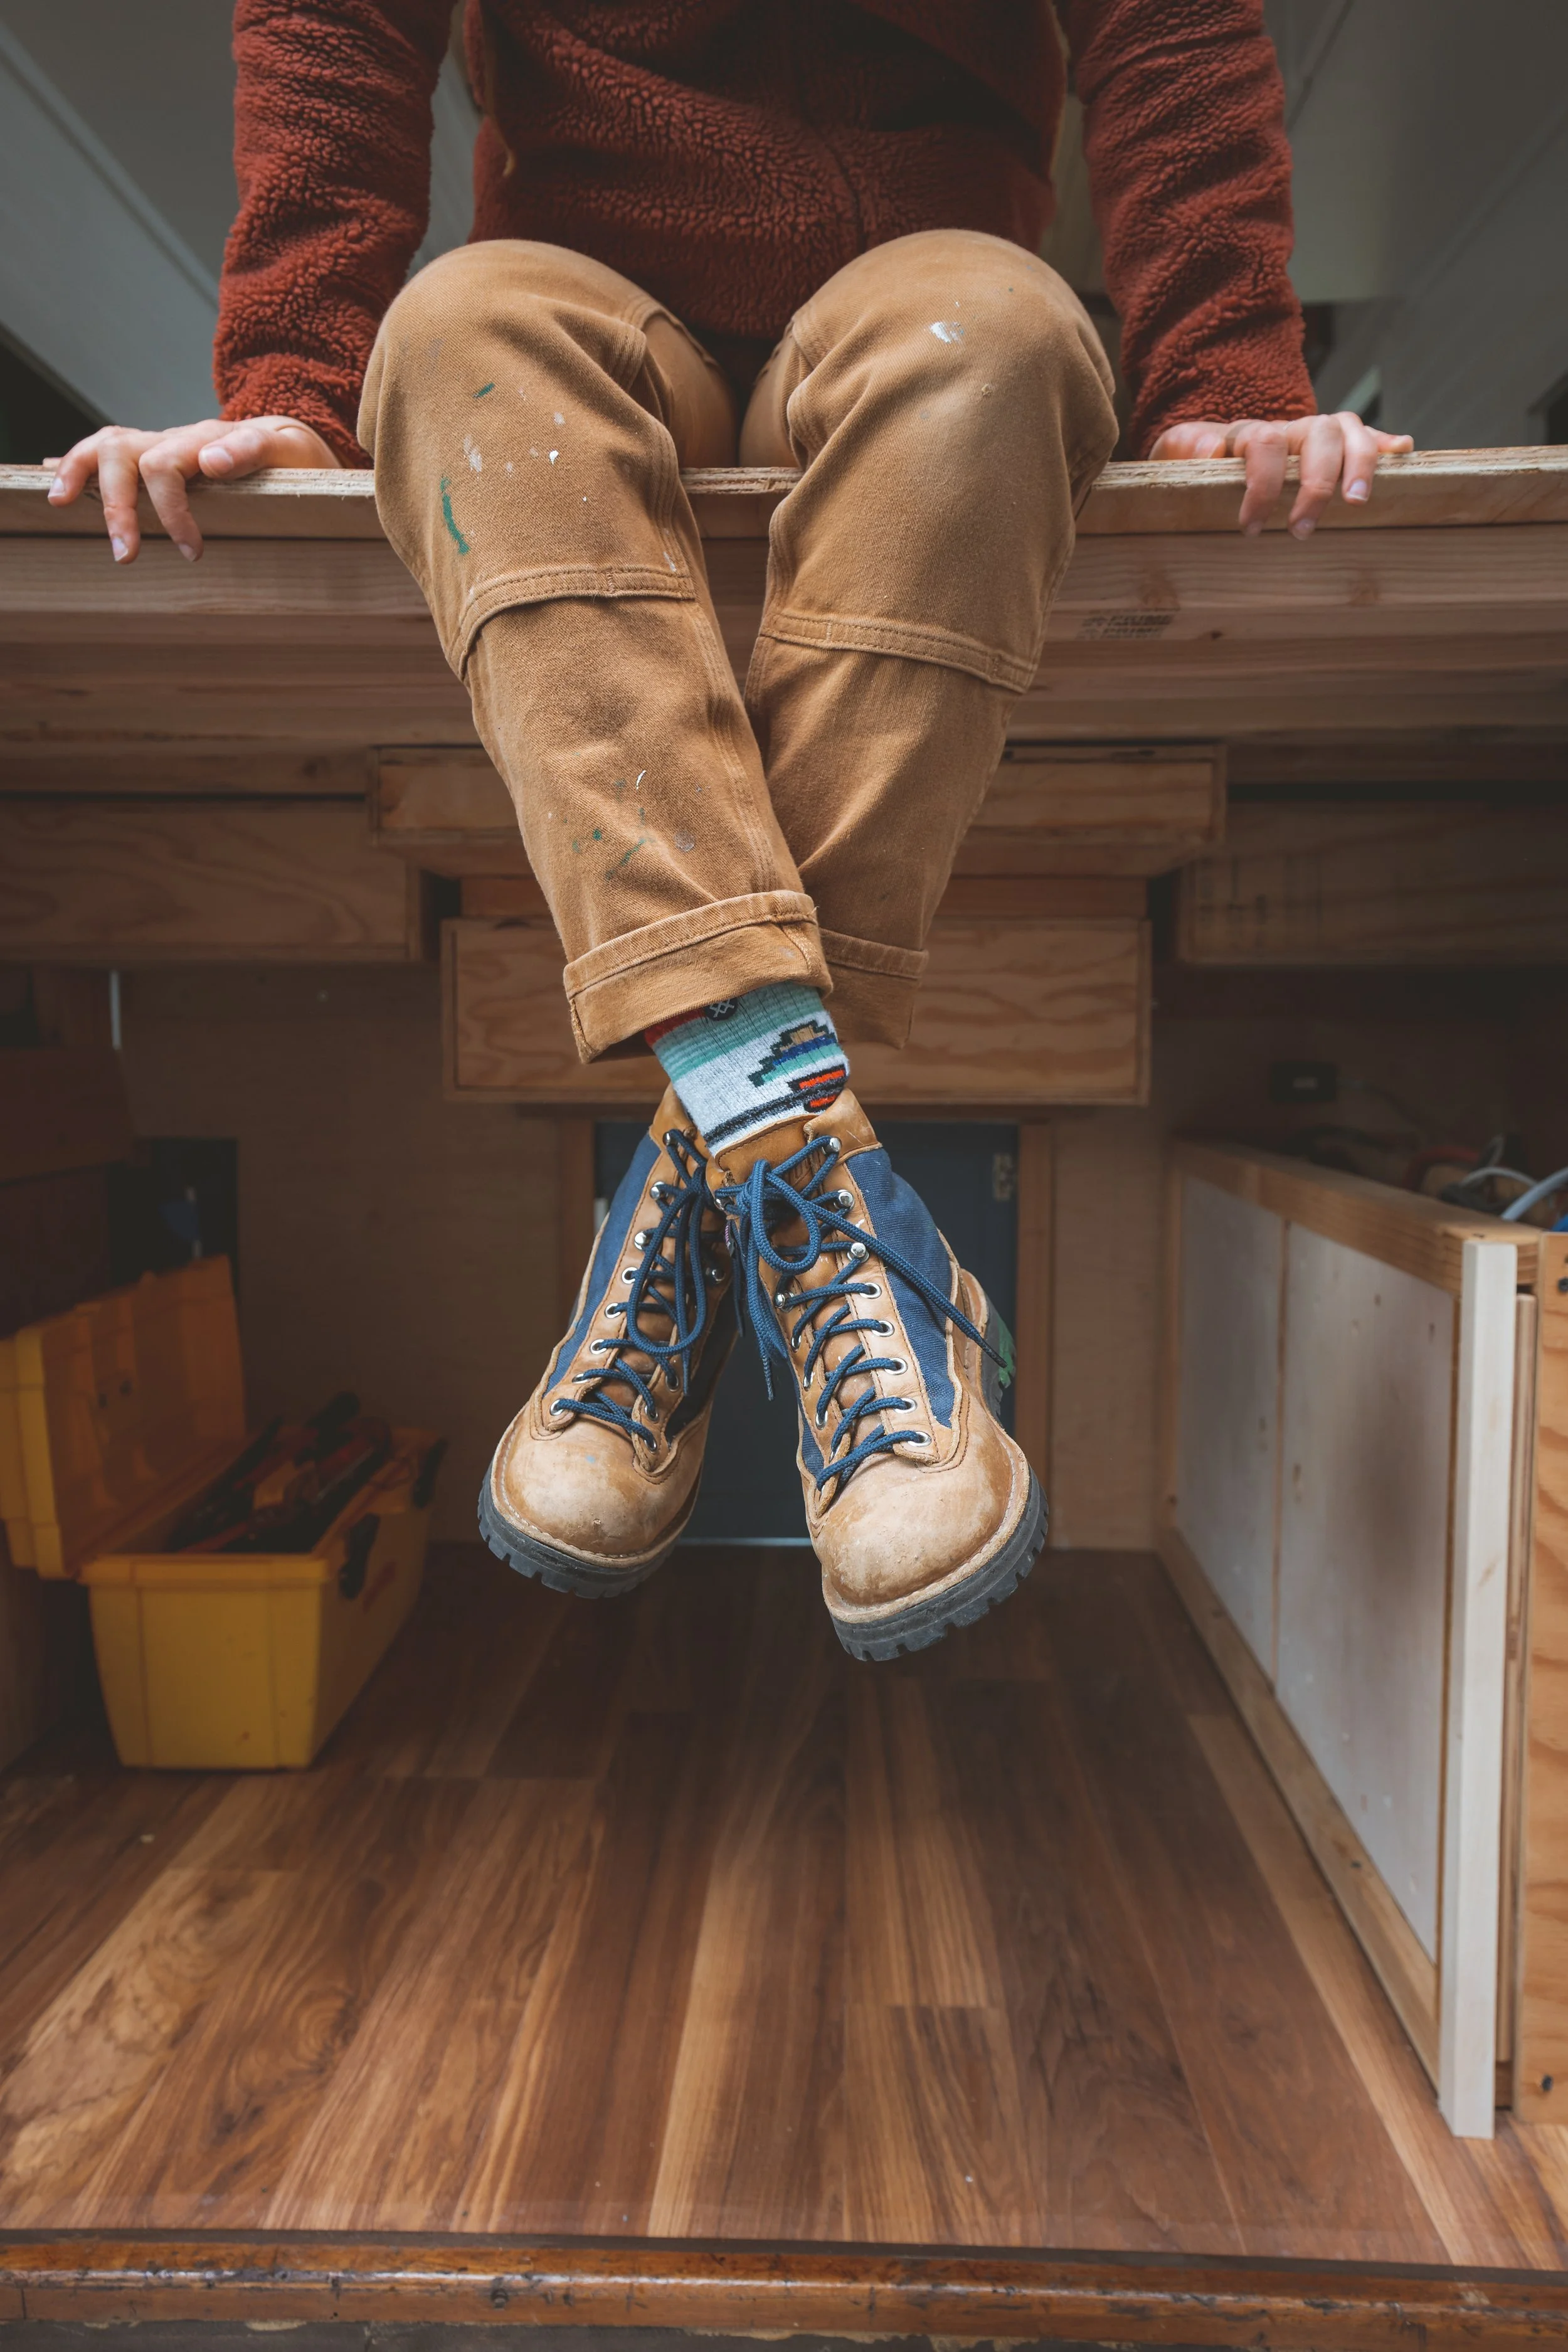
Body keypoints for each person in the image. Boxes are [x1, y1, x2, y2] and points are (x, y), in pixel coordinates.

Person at [50, 1, 1411, 1661]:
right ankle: (847, 1229)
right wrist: (292, 379)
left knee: (1001, 343)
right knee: (452, 343)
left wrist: (1221, 371)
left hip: (928, 261)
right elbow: (338, 21)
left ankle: (715, 1176)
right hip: (571, 275)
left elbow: (1174, 21)